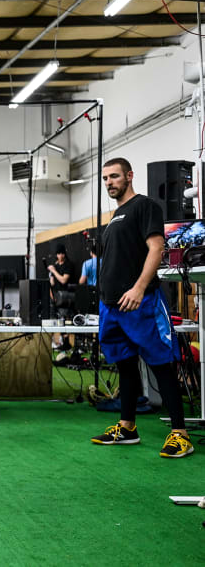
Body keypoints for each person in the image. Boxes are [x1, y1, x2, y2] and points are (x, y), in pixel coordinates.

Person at [91, 157, 192, 458]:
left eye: (114, 176)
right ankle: (127, 427)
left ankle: (180, 434)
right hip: (112, 306)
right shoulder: (116, 216)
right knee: (125, 365)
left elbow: (156, 248)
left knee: (161, 364)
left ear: (129, 176)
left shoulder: (145, 206)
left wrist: (138, 288)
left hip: (141, 301)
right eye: (105, 178)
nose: (109, 182)